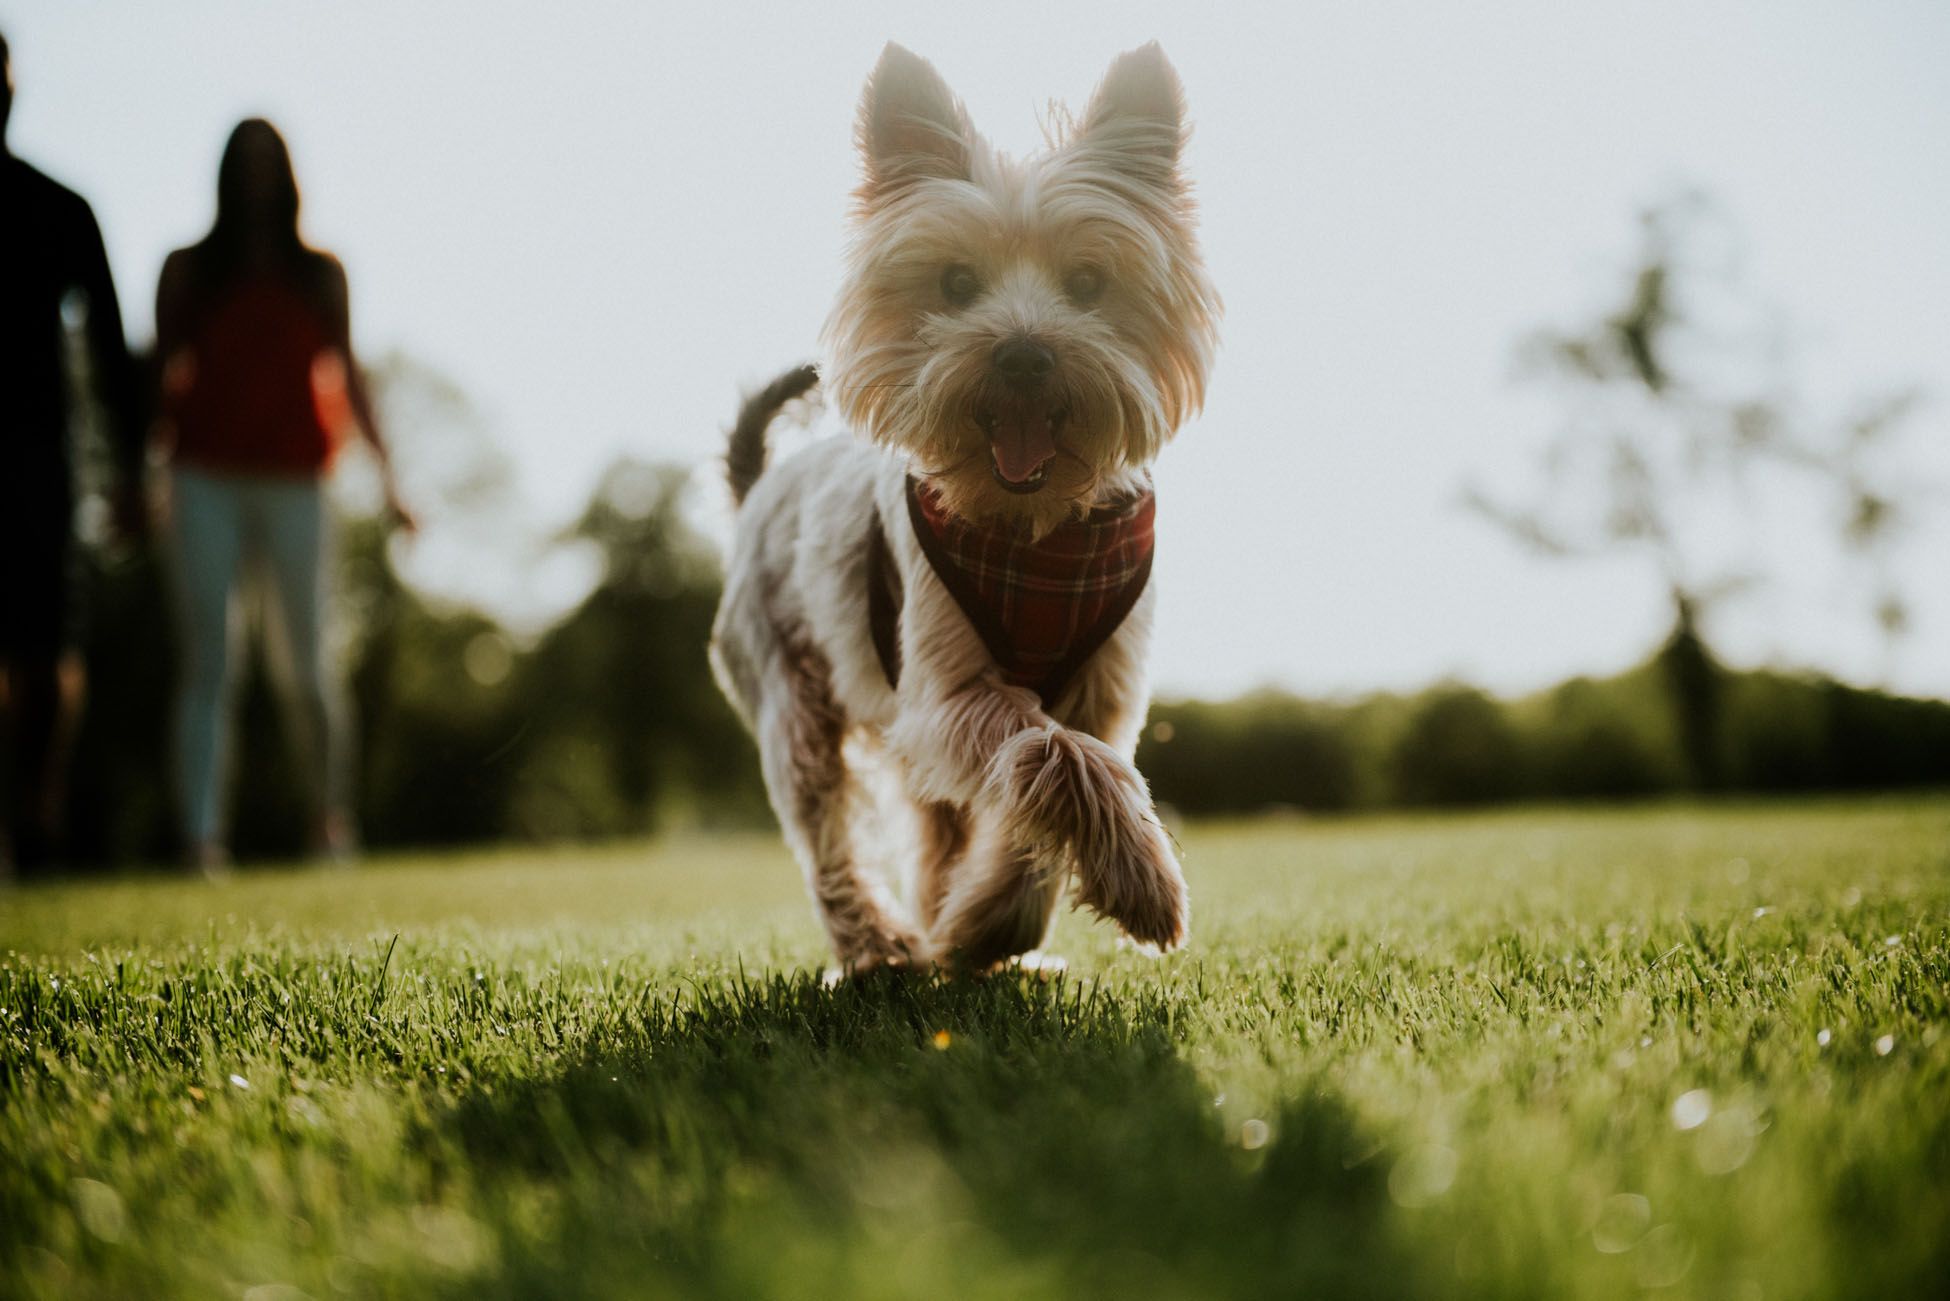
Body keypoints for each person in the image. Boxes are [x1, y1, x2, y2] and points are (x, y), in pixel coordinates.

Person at [154, 117, 412, 872]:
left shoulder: (320, 274)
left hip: (298, 478)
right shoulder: (190, 268)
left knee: (304, 663)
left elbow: (350, 374)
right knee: (210, 662)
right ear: (228, 172)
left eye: (272, 162)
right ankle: (201, 838)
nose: (260, 176)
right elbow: (161, 375)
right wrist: (142, 479)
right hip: (203, 475)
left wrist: (391, 478)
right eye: (249, 161)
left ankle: (329, 822)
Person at [0, 31, 149, 877]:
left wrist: (129, 471)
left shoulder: (58, 208)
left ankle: (36, 813)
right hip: (37, 459)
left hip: (34, 458)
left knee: (44, 646)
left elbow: (110, 345)